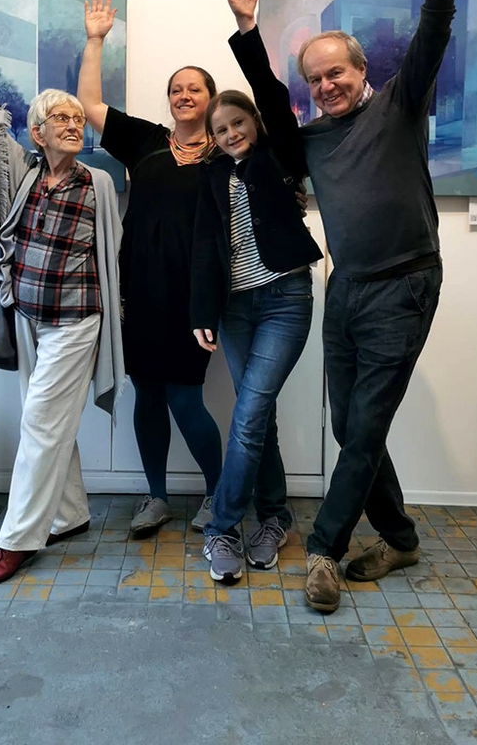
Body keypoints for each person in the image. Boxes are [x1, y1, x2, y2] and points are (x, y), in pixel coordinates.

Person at [226, 0, 477, 613]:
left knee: (363, 426)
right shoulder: (309, 141)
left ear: (362, 70)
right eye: (315, 79)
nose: (327, 86)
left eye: (338, 73)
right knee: (354, 424)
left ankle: (324, 549)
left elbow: (437, 17)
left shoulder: (400, 105)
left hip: (407, 283)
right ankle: (401, 538)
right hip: (346, 286)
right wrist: (249, 31)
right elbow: (269, 102)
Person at [0, 0, 124, 586]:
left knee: (41, 426)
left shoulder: (96, 183)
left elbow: (114, 257)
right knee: (44, 420)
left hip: (76, 322)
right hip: (28, 318)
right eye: (61, 120)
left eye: (78, 119)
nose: (74, 126)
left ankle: (16, 540)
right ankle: (69, 514)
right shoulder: (22, 175)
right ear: (37, 132)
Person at [77, 0, 222, 536]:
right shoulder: (145, 140)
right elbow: (89, 103)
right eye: (176, 89)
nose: (184, 95)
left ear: (211, 99)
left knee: (186, 397)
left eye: (195, 88)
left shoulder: (226, 151)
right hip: (138, 291)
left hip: (194, 297)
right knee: (148, 394)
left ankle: (219, 495)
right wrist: (95, 40)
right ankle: (156, 496)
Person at [191, 82, 322, 583]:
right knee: (259, 417)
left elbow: (274, 106)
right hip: (236, 309)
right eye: (221, 129)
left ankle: (221, 528)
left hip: (285, 300)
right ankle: (274, 518)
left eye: (238, 122)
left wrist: (245, 38)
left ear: (255, 121)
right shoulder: (213, 174)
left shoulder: (277, 157)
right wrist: (201, 312)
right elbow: (205, 245)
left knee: (247, 418)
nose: (231, 134)